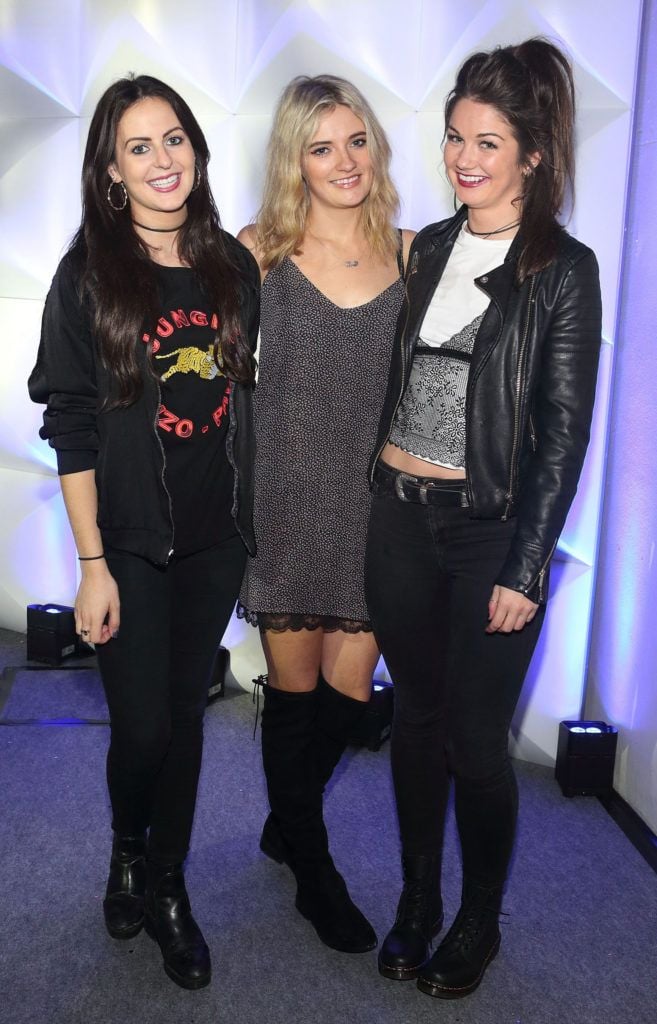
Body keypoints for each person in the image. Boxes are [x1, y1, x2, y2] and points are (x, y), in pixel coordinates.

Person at [365, 39, 602, 999]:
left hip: (488, 536)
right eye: (455, 137)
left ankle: (478, 919)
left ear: (534, 153)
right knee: (412, 724)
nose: (464, 158)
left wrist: (527, 566)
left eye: (489, 143)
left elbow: (560, 435)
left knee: (473, 740)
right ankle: (418, 900)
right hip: (396, 517)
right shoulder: (427, 245)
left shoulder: (561, 271)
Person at [28, 74, 259, 990]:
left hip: (214, 541)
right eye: (139, 147)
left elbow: (249, 399)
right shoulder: (88, 272)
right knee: (142, 730)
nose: (164, 160)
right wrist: (90, 566)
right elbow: (71, 425)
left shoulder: (230, 268)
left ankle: (165, 886)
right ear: (112, 171)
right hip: (125, 544)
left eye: (174, 139)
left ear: (195, 148)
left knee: (186, 720)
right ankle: (127, 850)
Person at [237, 74, 413, 953]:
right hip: (286, 506)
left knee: (348, 699)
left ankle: (286, 820)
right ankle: (315, 872)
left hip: (374, 514)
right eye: (320, 147)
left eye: (354, 140)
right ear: (294, 160)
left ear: (373, 145)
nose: (343, 161)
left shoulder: (412, 254)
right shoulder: (258, 251)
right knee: (296, 696)